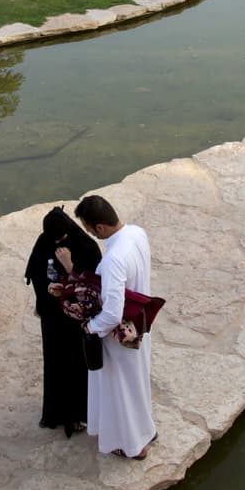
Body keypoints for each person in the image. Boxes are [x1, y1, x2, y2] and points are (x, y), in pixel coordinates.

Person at [59, 194, 156, 460]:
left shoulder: (113, 260)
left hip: (120, 333)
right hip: (140, 323)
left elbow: (112, 311)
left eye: (89, 228)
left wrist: (92, 327)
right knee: (137, 382)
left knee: (120, 389)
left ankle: (134, 445)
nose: (88, 233)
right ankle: (145, 429)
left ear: (99, 227)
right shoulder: (137, 233)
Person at [24, 206, 101, 438]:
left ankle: (81, 414)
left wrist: (70, 268)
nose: (58, 243)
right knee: (57, 362)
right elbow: (35, 273)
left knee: (78, 365)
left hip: (76, 321)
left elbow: (94, 285)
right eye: (54, 239)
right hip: (54, 319)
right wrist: (48, 288)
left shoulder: (86, 247)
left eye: (62, 238)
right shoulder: (44, 243)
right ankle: (58, 413)